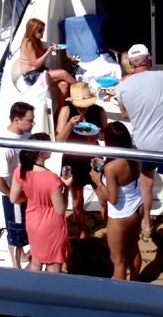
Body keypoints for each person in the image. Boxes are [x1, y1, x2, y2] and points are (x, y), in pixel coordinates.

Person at [115, 44, 163, 237]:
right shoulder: (162, 76)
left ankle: (146, 225)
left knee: (146, 184)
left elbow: (124, 114)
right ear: (148, 60)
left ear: (131, 63)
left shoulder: (121, 88)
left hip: (142, 143)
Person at [10, 133, 72, 272]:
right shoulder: (52, 179)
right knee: (53, 266)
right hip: (51, 226)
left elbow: (13, 198)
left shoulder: (20, 170)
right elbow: (60, 209)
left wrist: (31, 196)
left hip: (32, 221)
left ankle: (33, 286)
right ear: (41, 153)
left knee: (36, 261)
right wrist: (67, 187)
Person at [89, 121, 143, 281]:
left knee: (118, 261)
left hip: (121, 216)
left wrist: (98, 181)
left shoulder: (111, 167)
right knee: (134, 250)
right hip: (137, 207)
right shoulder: (134, 153)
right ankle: (135, 283)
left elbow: (112, 199)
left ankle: (120, 293)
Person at [56, 82, 107, 239]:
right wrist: (70, 125)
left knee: (103, 197)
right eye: (80, 105)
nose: (83, 108)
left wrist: (99, 134)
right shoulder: (66, 110)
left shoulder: (99, 111)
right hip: (73, 158)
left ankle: (110, 226)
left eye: (85, 104)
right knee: (77, 200)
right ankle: (82, 231)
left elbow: (103, 137)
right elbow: (59, 140)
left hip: (94, 157)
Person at [0, 102, 35, 269]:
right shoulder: (5, 147)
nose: (33, 123)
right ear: (17, 120)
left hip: (26, 190)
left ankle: (22, 255)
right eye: (30, 120)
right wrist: (12, 195)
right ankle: (17, 266)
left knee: (24, 227)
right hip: (15, 197)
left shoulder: (26, 133)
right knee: (16, 231)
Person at [20, 18, 75, 108]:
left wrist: (53, 47)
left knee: (64, 85)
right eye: (40, 30)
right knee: (63, 73)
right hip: (31, 76)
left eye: (43, 29)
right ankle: (84, 89)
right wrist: (47, 53)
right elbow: (35, 64)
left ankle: (59, 112)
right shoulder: (28, 43)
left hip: (40, 70)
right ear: (33, 31)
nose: (42, 32)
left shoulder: (37, 41)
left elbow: (47, 45)